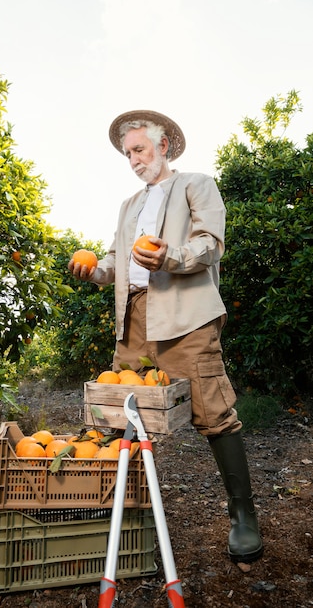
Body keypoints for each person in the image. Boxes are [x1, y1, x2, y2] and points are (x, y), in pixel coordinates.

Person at [68, 110, 263, 563]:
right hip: (135, 316)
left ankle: (243, 514)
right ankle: (116, 514)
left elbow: (211, 242)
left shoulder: (196, 183)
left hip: (186, 315)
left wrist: (170, 256)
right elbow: (116, 262)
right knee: (122, 413)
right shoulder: (128, 205)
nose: (133, 160)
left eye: (139, 149)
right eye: (127, 153)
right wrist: (92, 270)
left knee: (212, 410)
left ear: (164, 147)